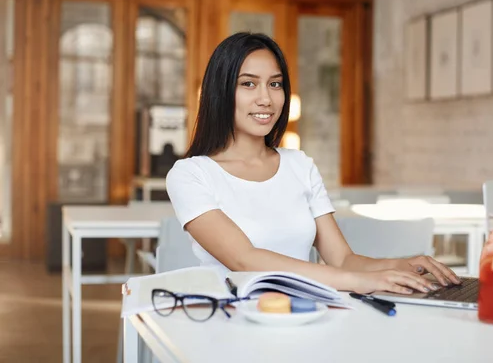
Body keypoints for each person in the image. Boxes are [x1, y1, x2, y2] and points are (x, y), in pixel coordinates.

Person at [166, 32, 460, 295]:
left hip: (307, 316)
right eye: (248, 84)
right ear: (221, 93)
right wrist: (360, 282)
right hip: (231, 322)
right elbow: (245, 259)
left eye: (275, 84)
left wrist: (400, 264)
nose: (265, 98)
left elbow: (343, 259)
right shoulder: (191, 175)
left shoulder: (299, 165)